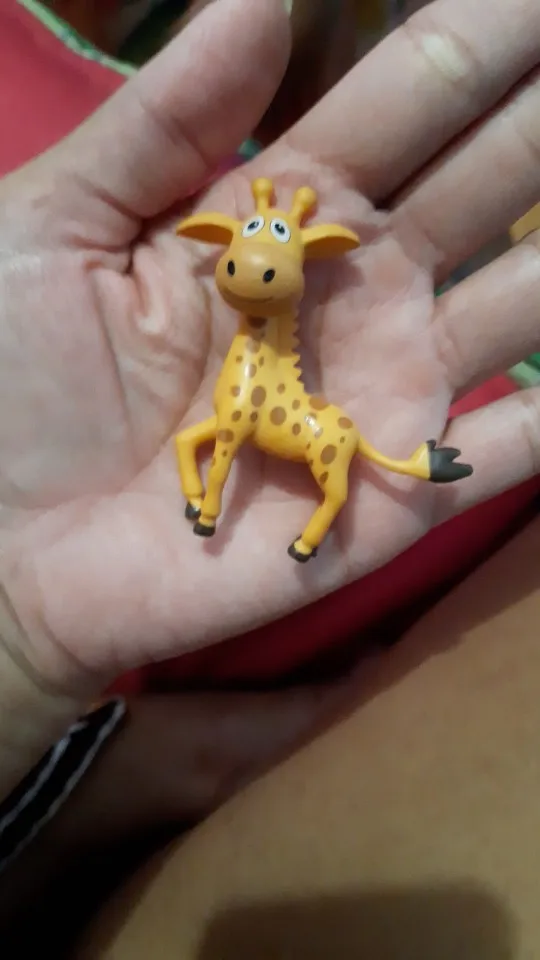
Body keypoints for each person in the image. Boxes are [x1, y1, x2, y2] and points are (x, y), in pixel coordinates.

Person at [0, 0, 539, 948]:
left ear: (304, 267)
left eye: (270, 261)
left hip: (282, 423)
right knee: (202, 450)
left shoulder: (284, 355)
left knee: (324, 469)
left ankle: (319, 529)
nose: (250, 271)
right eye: (243, 258)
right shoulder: (237, 353)